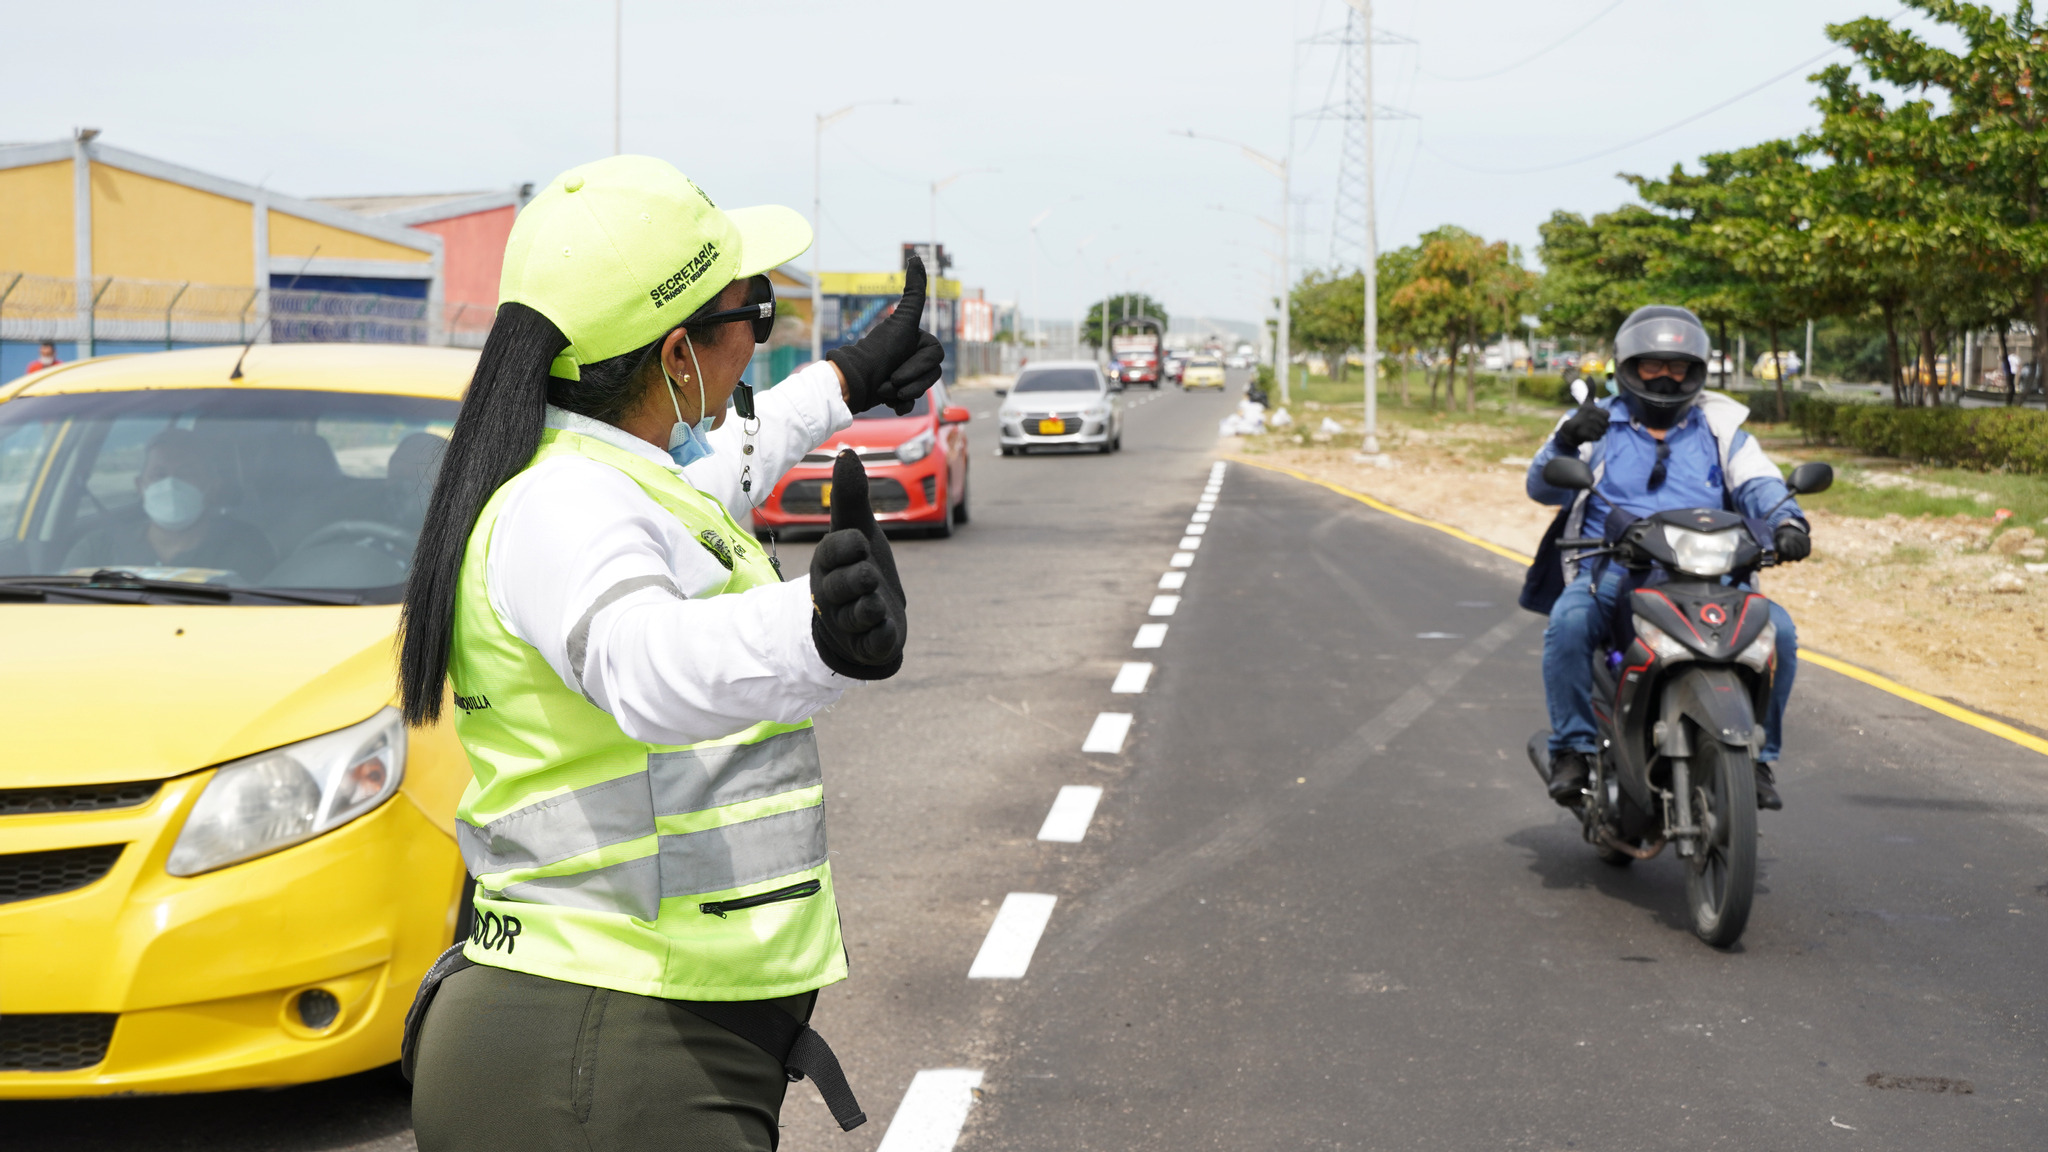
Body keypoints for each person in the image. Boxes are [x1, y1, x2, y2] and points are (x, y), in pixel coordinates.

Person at [396, 155, 943, 1152]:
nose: (762, 343)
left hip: (625, 1030)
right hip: (607, 1051)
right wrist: (815, 630)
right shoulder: (564, 505)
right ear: (680, 353)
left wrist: (850, 376)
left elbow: (733, 457)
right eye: (759, 313)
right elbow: (644, 661)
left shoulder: (614, 473)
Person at [1526, 305, 1809, 811]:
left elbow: (1761, 481)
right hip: (1615, 571)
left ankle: (1758, 758)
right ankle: (1572, 749)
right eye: (1651, 364)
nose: (1664, 375)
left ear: (1696, 370)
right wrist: (1567, 438)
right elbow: (1541, 488)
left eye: (1677, 366)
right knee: (1568, 623)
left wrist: (1789, 523)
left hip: (1712, 574)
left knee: (1779, 634)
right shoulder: (1596, 424)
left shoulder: (1720, 428)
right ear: (1627, 368)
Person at [64, 428, 276, 579]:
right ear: (140, 486)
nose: (171, 484)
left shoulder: (244, 547)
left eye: (186, 473)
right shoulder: (98, 549)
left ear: (212, 486)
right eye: (159, 474)